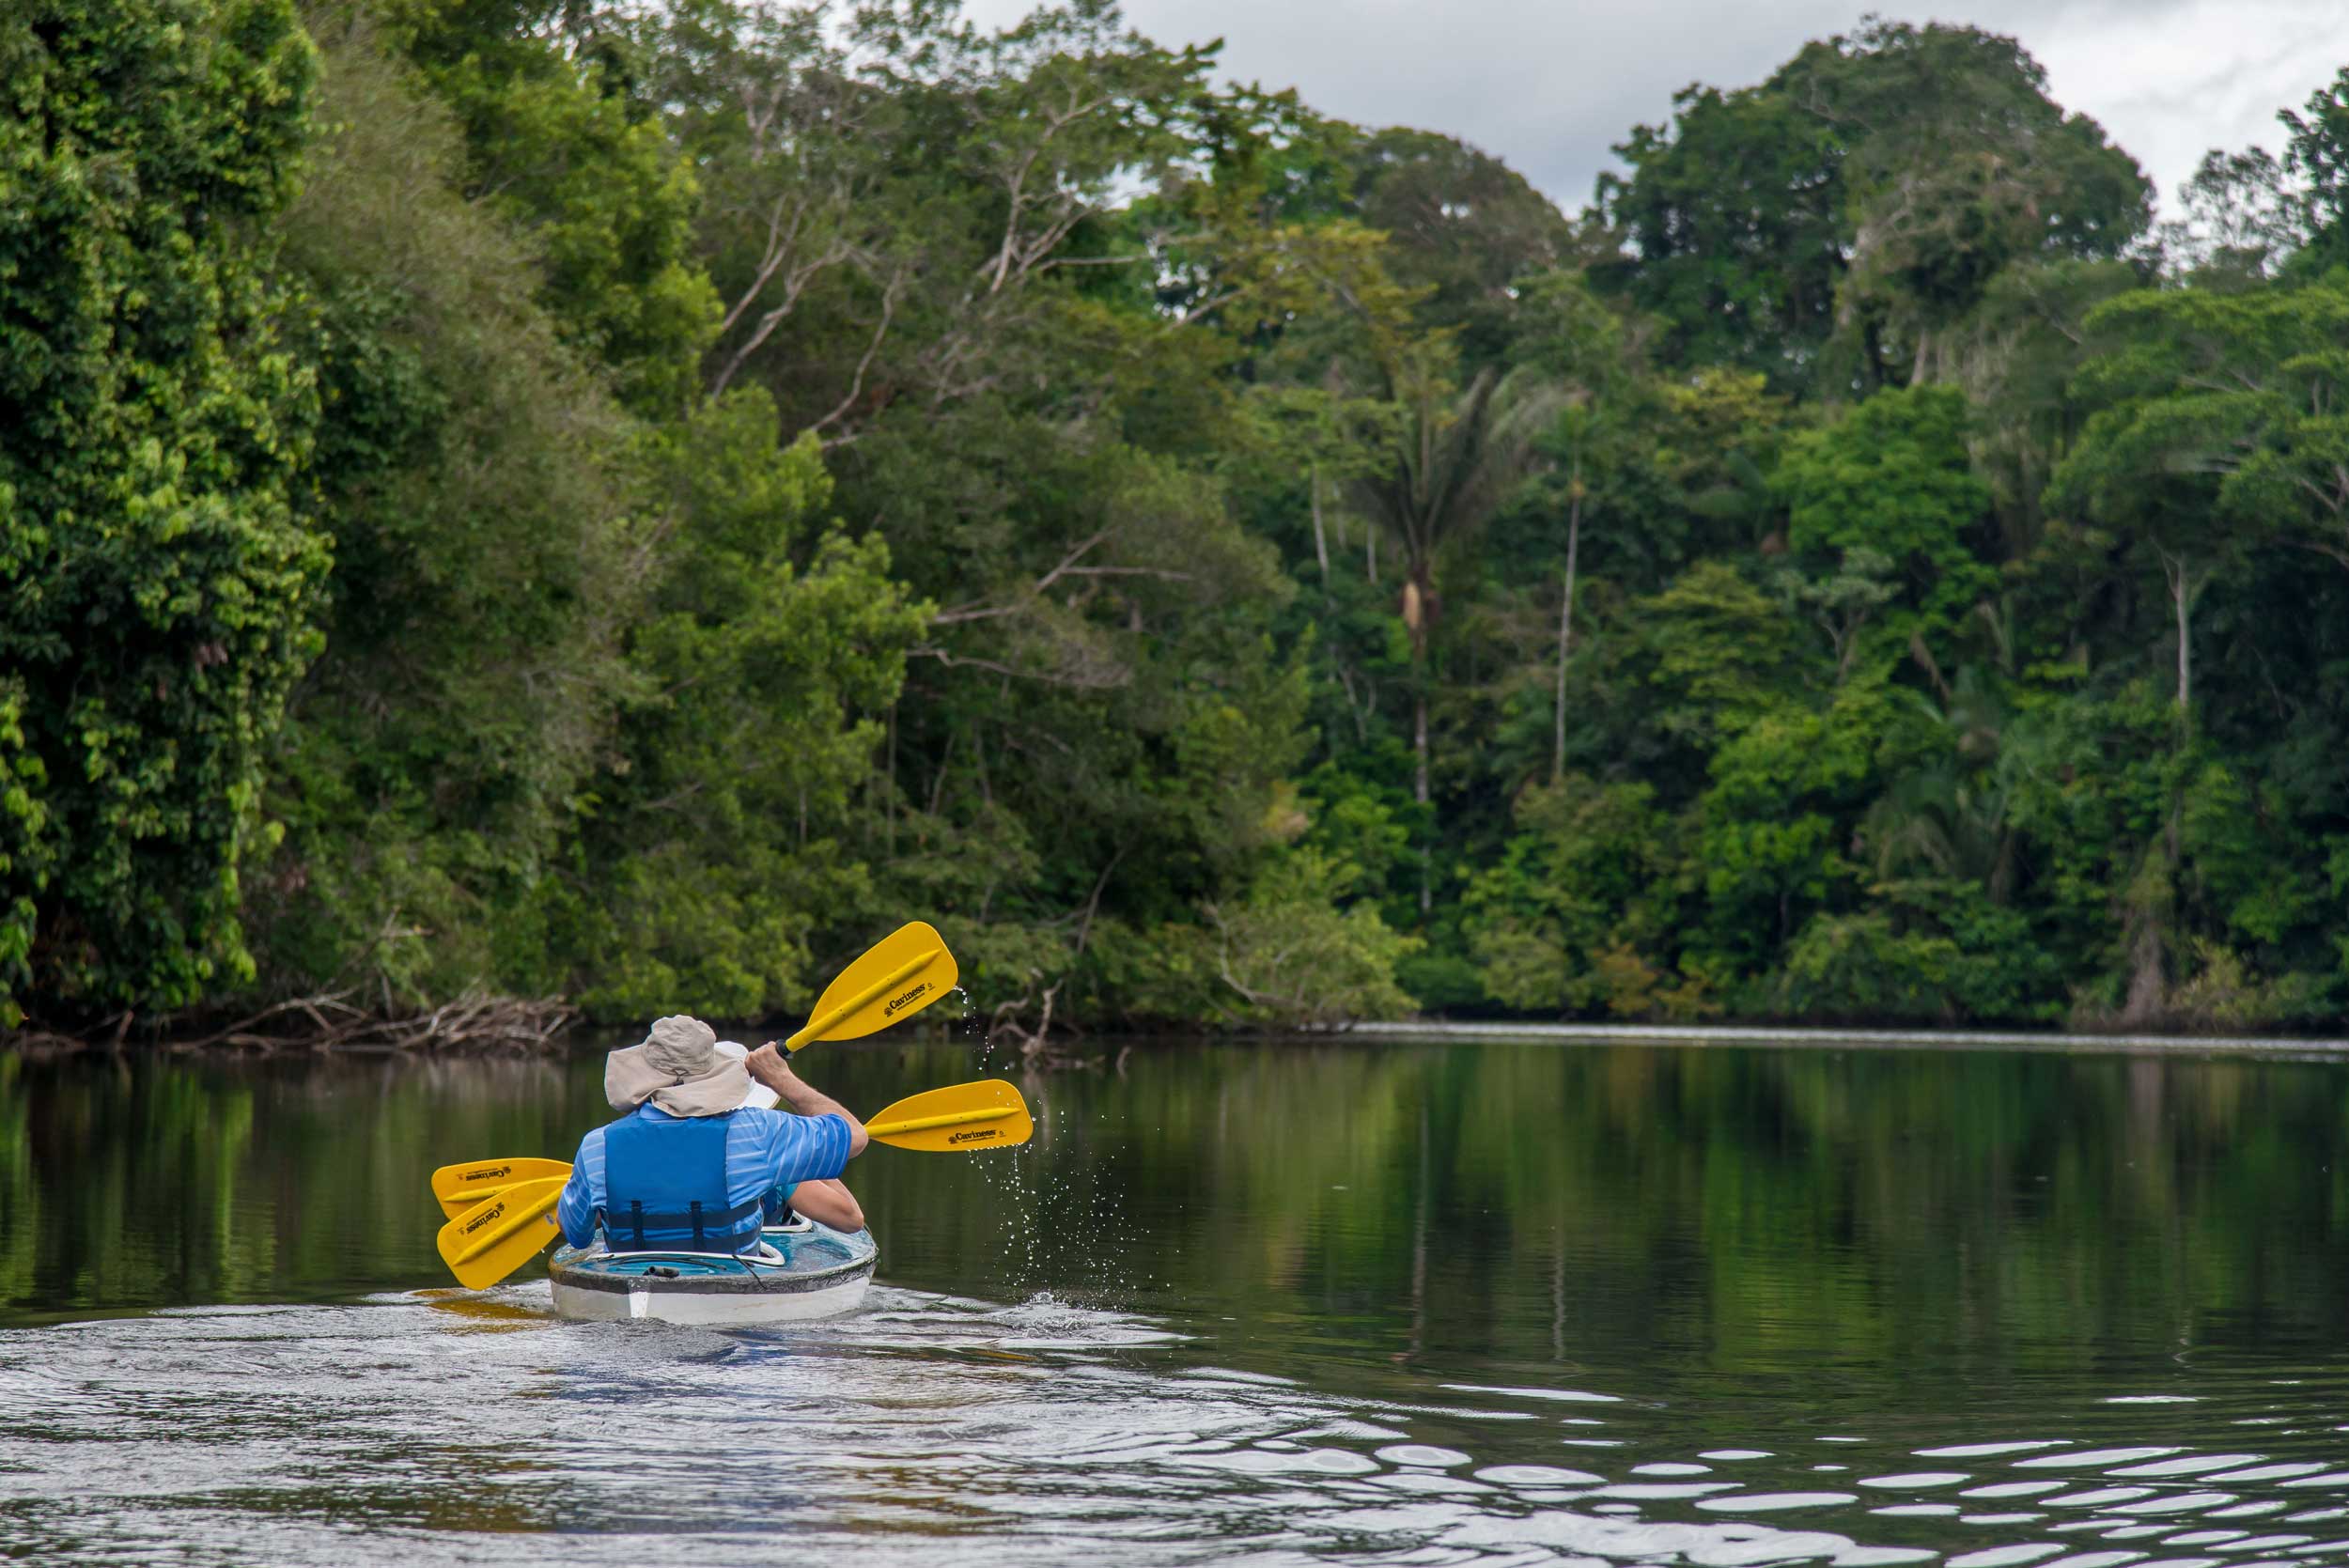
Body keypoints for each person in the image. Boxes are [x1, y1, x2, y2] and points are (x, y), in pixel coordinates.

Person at [555, 1015, 869, 1254]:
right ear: (712, 1072)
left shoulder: (597, 1147)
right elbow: (856, 1136)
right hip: (732, 1289)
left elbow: (577, 1236)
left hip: (629, 1285)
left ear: (645, 1073)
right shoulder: (757, 1133)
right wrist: (780, 1078)